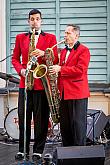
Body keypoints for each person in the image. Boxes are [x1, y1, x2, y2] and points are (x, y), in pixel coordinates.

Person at [12, 8, 58, 162]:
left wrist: (43, 53)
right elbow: (15, 59)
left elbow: (55, 58)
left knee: (41, 119)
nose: (35, 22)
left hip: (41, 84)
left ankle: (38, 150)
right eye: (32, 19)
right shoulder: (20, 37)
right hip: (25, 84)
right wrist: (22, 71)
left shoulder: (51, 38)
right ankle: (22, 150)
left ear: (41, 21)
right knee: (23, 118)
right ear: (28, 21)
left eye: (37, 19)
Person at [49, 24, 90, 147]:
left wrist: (60, 68)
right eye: (65, 33)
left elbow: (80, 70)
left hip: (77, 93)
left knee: (78, 125)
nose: (65, 35)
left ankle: (79, 153)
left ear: (76, 35)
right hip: (64, 93)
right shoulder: (64, 51)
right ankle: (67, 152)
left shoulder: (84, 50)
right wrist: (56, 88)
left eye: (68, 33)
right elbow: (61, 74)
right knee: (65, 125)